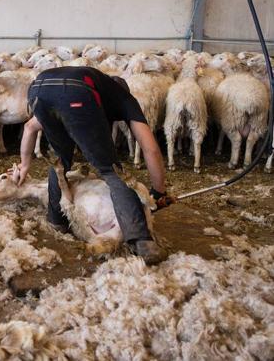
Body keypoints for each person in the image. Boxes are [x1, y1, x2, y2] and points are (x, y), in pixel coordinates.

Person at [15, 65, 174, 265]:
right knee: (112, 170)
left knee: (61, 162)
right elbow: (151, 149)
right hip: (76, 93)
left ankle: (56, 222)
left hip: (38, 88)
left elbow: (29, 127)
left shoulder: (98, 86)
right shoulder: (125, 99)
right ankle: (142, 241)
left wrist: (24, 165)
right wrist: (158, 192)